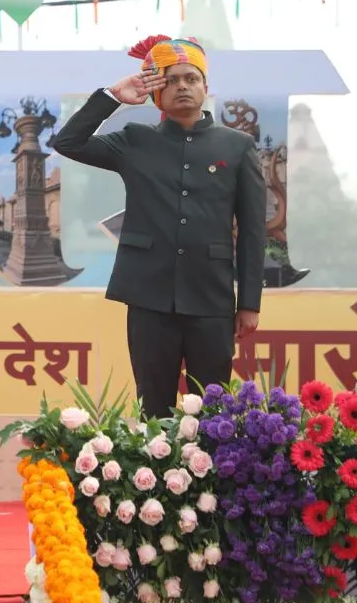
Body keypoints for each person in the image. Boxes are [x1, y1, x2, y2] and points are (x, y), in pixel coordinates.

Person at [51, 34, 266, 419]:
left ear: (205, 87)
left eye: (191, 78)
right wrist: (113, 96)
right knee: (154, 409)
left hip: (212, 296)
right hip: (148, 295)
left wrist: (249, 303)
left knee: (214, 411)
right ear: (155, 94)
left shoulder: (237, 146)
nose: (182, 86)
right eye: (171, 80)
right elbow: (68, 141)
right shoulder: (136, 140)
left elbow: (252, 230)